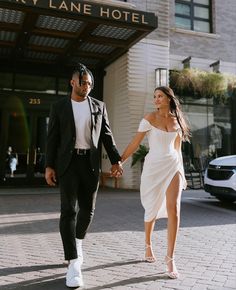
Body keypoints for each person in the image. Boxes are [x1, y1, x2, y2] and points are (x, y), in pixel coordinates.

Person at [45, 63, 123, 288]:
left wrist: (116, 160)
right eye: (83, 82)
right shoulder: (59, 106)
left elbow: (107, 135)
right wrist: (49, 166)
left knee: (88, 210)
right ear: (72, 82)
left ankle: (77, 242)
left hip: (89, 164)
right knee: (68, 210)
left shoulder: (98, 106)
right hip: (68, 164)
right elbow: (52, 139)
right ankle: (73, 262)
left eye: (89, 83)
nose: (87, 86)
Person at [120, 86, 191, 279]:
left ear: (169, 98)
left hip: (173, 166)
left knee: (174, 209)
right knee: (151, 208)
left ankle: (170, 258)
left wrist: (182, 173)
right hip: (153, 168)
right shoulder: (149, 118)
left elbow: (177, 149)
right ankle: (148, 244)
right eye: (154, 97)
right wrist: (120, 161)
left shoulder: (178, 121)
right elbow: (135, 143)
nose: (156, 99)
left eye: (160, 96)